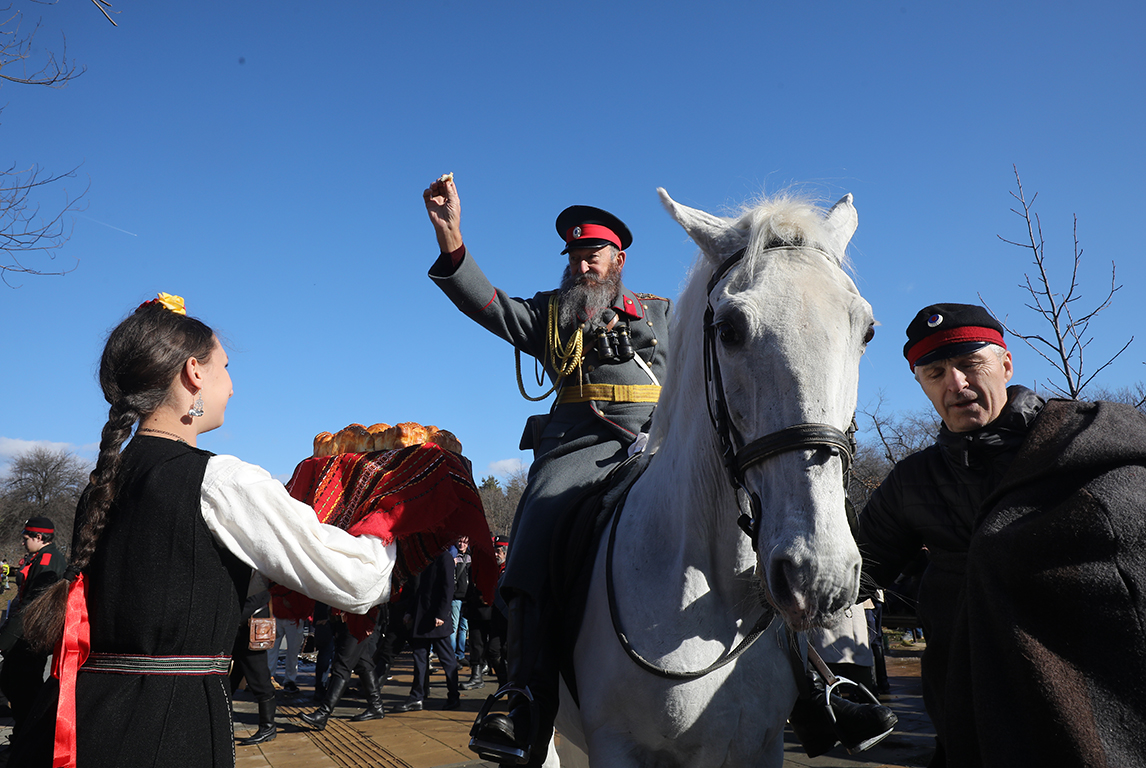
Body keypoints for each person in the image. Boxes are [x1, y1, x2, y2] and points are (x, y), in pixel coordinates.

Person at [11, 293, 400, 768]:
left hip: (78, 715)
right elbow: (358, 581)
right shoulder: (221, 480)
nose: (232, 387)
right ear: (194, 372)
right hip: (170, 728)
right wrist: (393, 508)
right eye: (226, 368)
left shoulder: (105, 480)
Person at [424, 175, 671, 766]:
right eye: (576, 256)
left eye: (595, 254)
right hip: (580, 448)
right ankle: (525, 690)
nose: (584, 265)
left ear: (619, 258)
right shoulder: (552, 315)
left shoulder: (663, 313)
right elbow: (485, 302)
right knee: (535, 523)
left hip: (661, 438)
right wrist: (451, 236)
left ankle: (820, 679)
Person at [854, 302, 1146, 765]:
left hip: (1098, 716)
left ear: (1006, 364)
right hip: (968, 719)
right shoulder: (910, 484)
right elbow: (851, 577)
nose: (956, 384)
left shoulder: (1085, 446)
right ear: (921, 384)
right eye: (935, 373)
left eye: (971, 365)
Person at [0, 516, 67, 736]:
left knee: (24, 687)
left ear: (39, 537)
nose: (23, 542)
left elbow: (33, 605)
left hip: (32, 633)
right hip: (26, 630)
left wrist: (6, 638)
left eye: (26, 537)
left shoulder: (49, 560)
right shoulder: (40, 557)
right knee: (11, 681)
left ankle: (27, 740)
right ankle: (22, 735)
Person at [390, 547, 460, 713]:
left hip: (436, 619)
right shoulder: (427, 558)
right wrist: (410, 611)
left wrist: (442, 614)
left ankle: (453, 696)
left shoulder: (445, 558)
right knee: (419, 658)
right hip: (422, 618)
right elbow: (420, 590)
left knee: (447, 660)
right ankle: (416, 697)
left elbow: (448, 588)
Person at [266, 584, 312, 694]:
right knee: (288, 651)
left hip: (287, 615)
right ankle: (283, 679)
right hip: (286, 615)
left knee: (280, 650)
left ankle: (274, 678)